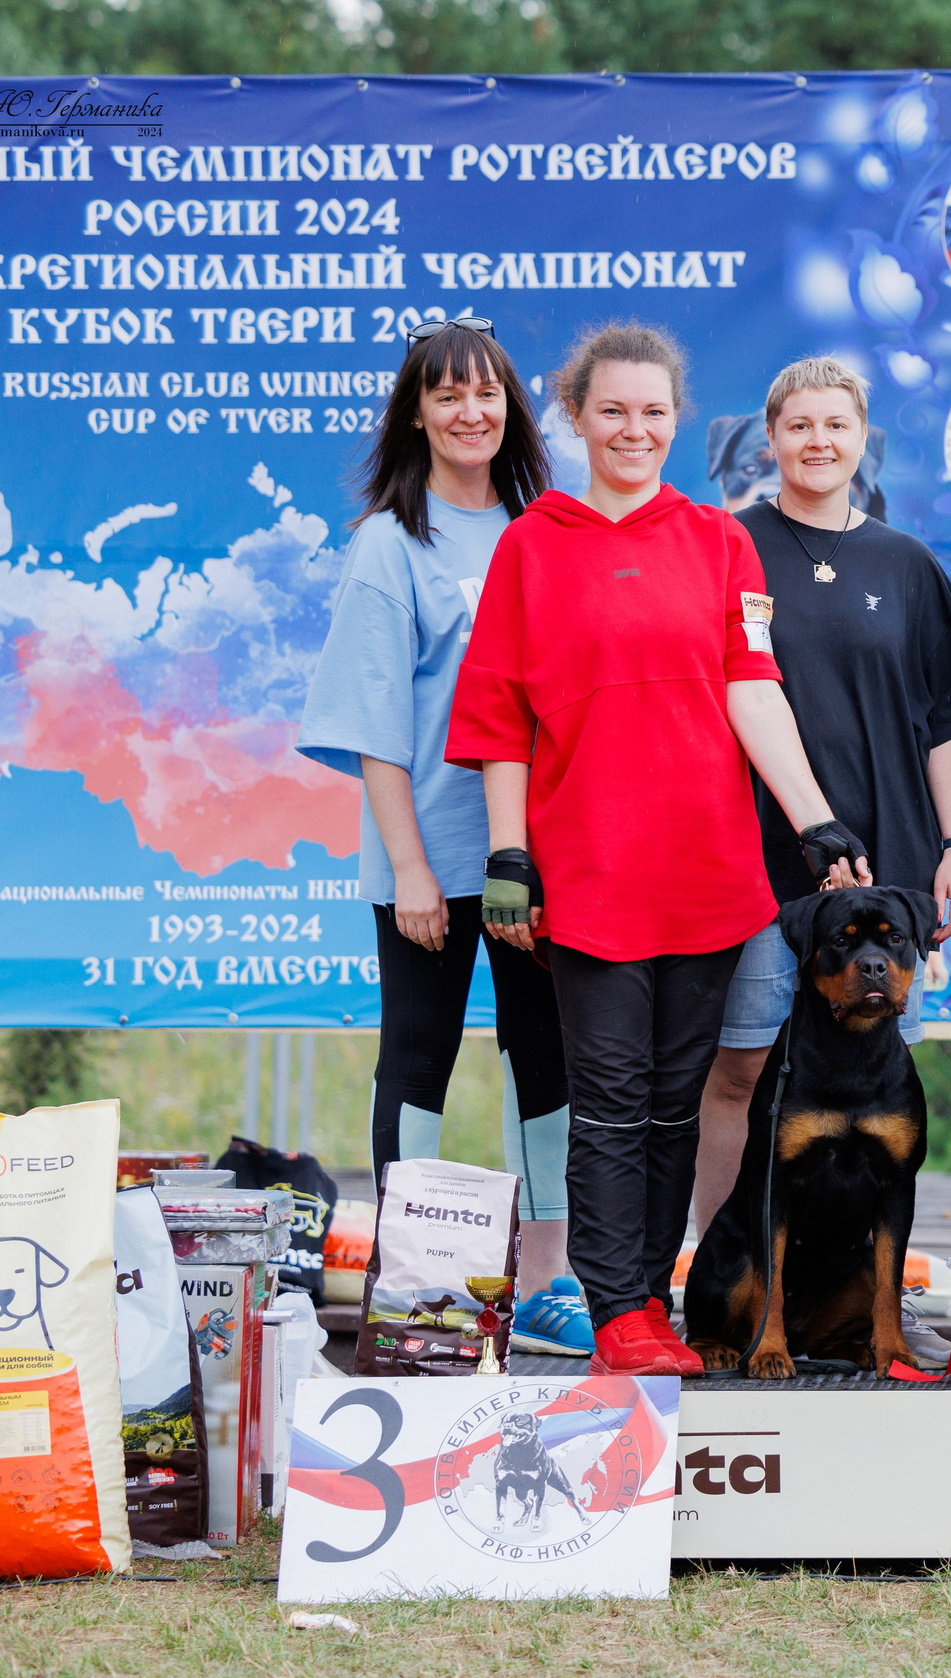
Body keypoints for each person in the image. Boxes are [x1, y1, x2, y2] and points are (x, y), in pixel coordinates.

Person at [446, 320, 867, 1378]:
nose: (635, 429)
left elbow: (749, 686)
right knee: (612, 1096)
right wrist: (508, 856)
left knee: (677, 1100)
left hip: (709, 871)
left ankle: (648, 1296)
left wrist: (814, 819)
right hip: (585, 878)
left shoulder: (718, 540)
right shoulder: (531, 543)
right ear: (578, 418)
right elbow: (498, 718)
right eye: (613, 411)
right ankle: (618, 1304)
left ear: (678, 420)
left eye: (654, 412)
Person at [296, 316, 589, 1357]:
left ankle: (550, 1280)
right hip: (425, 849)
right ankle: (411, 1284)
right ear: (415, 413)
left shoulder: (545, 524)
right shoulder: (390, 540)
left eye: (488, 394)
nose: (471, 412)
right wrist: (412, 863)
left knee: (543, 1058)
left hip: (532, 853)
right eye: (447, 394)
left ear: (512, 407)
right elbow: (374, 718)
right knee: (416, 1058)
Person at [690, 357, 951, 1365]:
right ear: (768, 438)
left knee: (868, 1086)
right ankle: (720, 1289)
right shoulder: (727, 548)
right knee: (737, 1071)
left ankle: (860, 1313)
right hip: (758, 864)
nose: (818, 441)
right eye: (799, 425)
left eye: (837, 424)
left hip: (885, 876)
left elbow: (946, 719)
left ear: (864, 439)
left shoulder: (907, 564)